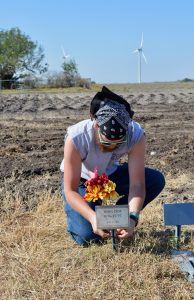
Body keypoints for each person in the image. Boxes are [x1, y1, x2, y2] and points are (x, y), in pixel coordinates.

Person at [61, 86, 165, 246]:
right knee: (87, 238)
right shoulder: (76, 137)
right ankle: (95, 215)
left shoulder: (136, 135)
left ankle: (118, 217)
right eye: (107, 142)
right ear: (96, 125)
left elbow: (137, 185)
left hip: (110, 175)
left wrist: (132, 217)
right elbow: (70, 190)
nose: (113, 148)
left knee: (155, 180)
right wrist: (92, 218)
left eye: (119, 144)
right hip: (83, 180)